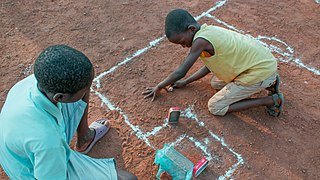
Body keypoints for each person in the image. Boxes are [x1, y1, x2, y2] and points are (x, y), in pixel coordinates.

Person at [0, 45, 137, 180]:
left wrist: (83, 89)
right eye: (85, 90)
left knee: (81, 83)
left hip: (29, 150)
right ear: (59, 98)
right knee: (128, 179)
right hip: (33, 170)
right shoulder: (49, 140)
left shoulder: (34, 83)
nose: (89, 89)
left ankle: (85, 137)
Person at [143, 9, 284, 117]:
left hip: (260, 71)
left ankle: (271, 100)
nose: (183, 46)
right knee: (215, 83)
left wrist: (159, 86)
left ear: (191, 29)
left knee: (216, 107)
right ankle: (269, 82)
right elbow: (209, 66)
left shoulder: (200, 41)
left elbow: (181, 71)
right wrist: (186, 82)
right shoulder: (208, 31)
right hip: (257, 65)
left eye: (182, 41)